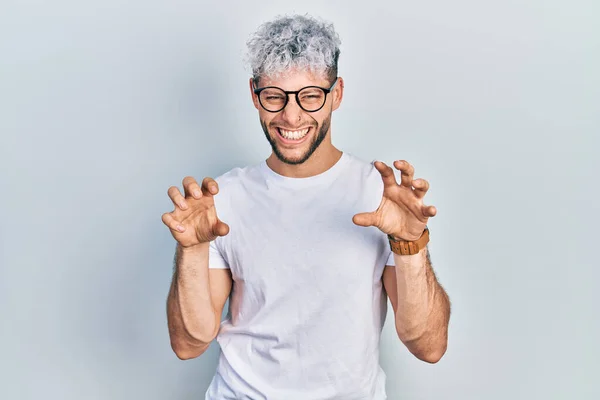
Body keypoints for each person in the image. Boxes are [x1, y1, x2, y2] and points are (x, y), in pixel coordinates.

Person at [162, 14, 451, 400]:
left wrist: (410, 244)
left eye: (310, 95)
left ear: (337, 93)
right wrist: (192, 249)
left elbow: (428, 346)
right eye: (274, 96)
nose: (291, 115)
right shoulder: (221, 201)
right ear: (254, 95)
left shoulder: (379, 197)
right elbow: (189, 344)